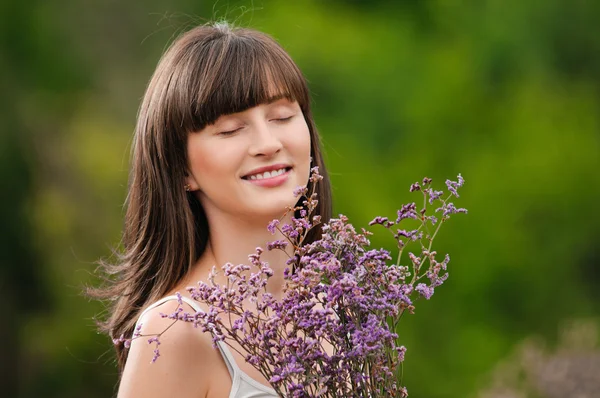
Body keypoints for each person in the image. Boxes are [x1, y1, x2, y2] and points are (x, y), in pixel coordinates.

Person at [92, 21, 332, 398]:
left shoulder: (335, 308)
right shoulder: (175, 331)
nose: (268, 144)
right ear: (182, 168)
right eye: (231, 129)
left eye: (282, 117)